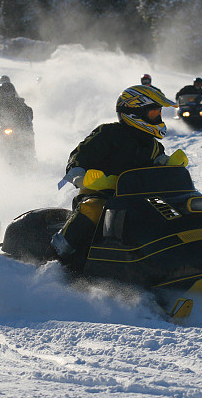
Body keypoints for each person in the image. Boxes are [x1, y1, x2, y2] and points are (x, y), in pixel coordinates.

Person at [50, 85, 180, 265]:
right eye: (153, 113)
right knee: (93, 208)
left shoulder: (155, 146)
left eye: (159, 113)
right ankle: (57, 255)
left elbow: (157, 173)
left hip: (141, 200)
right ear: (135, 112)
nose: (158, 117)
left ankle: (177, 259)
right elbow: (80, 155)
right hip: (102, 196)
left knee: (174, 212)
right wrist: (79, 174)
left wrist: (167, 166)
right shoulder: (108, 133)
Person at [0, 82, 35, 157]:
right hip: (0, 128)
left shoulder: (19, 103)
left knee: (28, 135)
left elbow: (28, 112)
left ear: (13, 92)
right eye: (5, 92)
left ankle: (31, 156)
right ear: (1, 93)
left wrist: (25, 122)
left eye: (9, 92)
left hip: (17, 128)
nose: (7, 95)